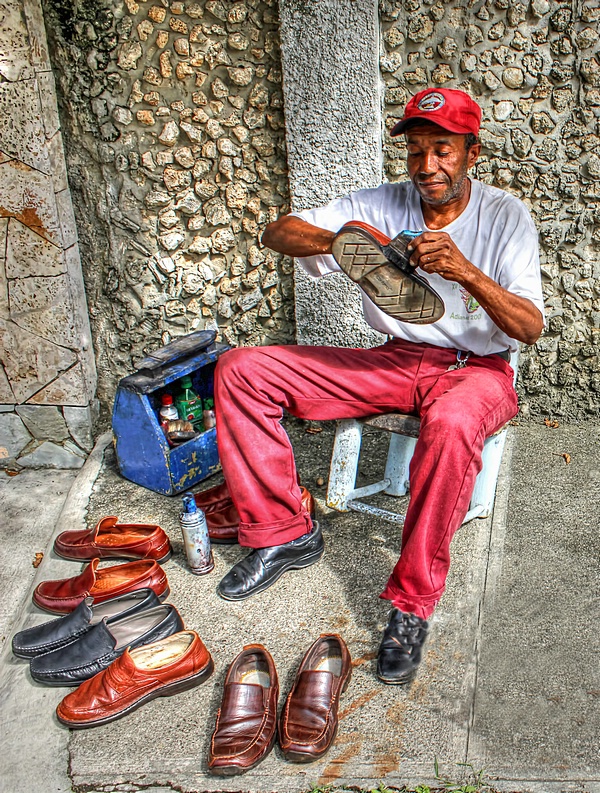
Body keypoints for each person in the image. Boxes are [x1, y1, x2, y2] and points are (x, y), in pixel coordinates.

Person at [204, 87, 544, 685]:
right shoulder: (382, 204)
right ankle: (283, 532)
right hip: (395, 359)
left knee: (455, 423)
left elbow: (528, 327)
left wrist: (464, 269)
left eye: (442, 150)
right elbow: (278, 233)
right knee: (241, 369)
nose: (427, 166)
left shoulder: (505, 216)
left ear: (472, 152)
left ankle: (411, 605)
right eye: (415, 151)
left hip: (477, 368)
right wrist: (347, 243)